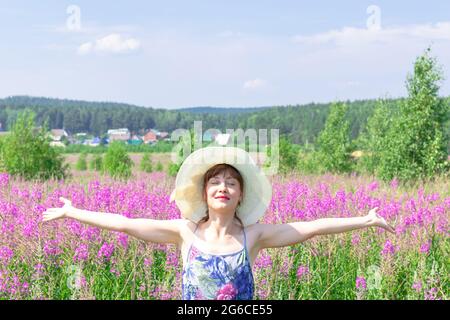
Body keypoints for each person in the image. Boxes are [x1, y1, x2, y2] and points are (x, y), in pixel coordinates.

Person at [42, 146, 395, 300]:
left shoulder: (255, 236)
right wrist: (72, 212)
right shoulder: (184, 232)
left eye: (230, 182)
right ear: (204, 192)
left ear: (241, 194)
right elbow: (123, 223)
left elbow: (314, 226)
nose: (222, 187)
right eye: (215, 181)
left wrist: (365, 220)